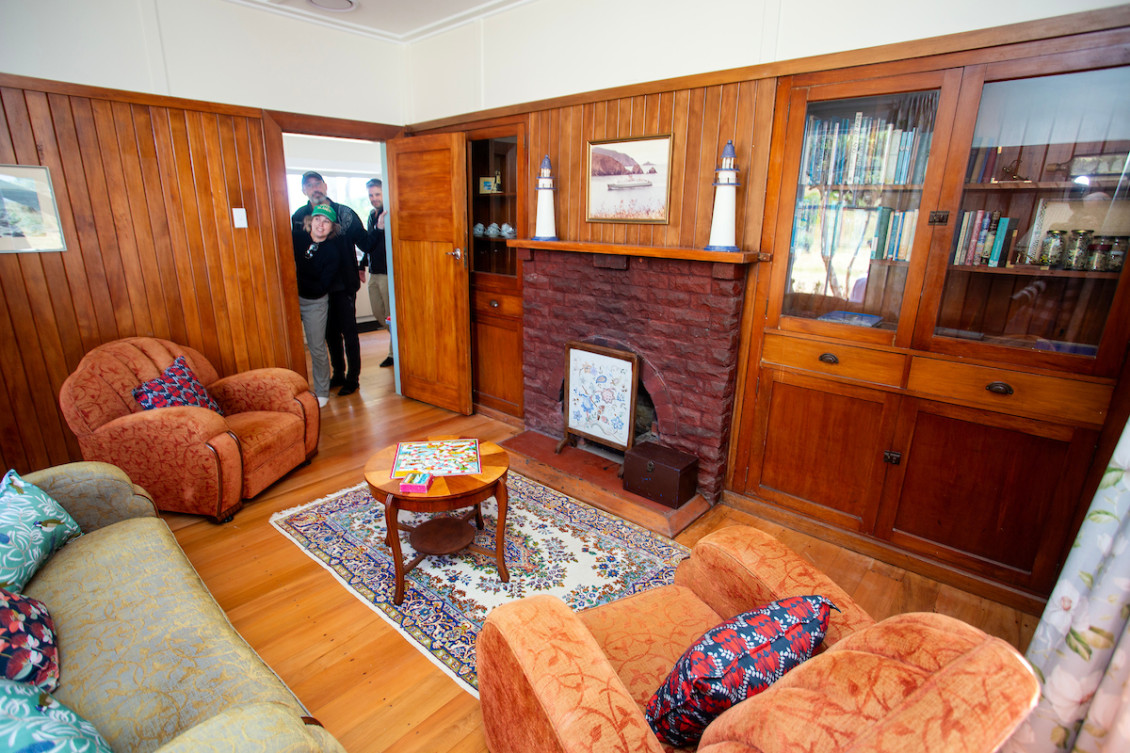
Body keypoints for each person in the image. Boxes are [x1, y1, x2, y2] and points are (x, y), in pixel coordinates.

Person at [291, 171, 368, 395]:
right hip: (316, 288)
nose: (315, 189)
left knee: (349, 332)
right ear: (304, 190)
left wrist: (380, 230)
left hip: (343, 285)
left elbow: (364, 242)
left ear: (325, 186)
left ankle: (353, 378)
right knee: (330, 334)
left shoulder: (345, 213)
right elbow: (298, 252)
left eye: (318, 184)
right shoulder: (299, 216)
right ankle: (338, 374)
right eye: (309, 186)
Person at [293, 203, 342, 407]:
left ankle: (322, 391)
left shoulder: (332, 252)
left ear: (332, 228)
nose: (321, 224)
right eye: (317, 219)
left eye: (326, 221)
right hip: (289, 299)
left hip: (315, 303)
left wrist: (298, 279)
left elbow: (321, 286)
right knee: (289, 347)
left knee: (316, 347)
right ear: (309, 221)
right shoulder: (296, 239)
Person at [360, 178, 394, 368]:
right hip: (374, 272)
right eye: (371, 195)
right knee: (379, 314)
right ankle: (398, 344)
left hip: (388, 273)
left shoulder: (390, 214)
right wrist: (361, 265)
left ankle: (393, 352)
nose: (374, 198)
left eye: (377, 194)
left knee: (390, 315)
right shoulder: (372, 215)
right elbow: (369, 244)